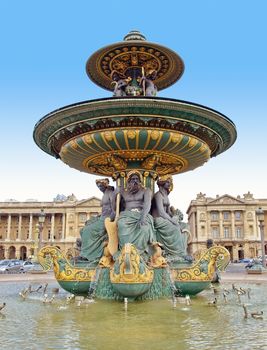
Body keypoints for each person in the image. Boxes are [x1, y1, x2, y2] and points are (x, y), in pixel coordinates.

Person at [151, 175, 190, 262]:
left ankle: (183, 251)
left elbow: (168, 212)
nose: (169, 184)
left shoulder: (166, 196)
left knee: (184, 226)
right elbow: (161, 212)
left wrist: (176, 216)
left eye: (170, 182)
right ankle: (178, 253)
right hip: (158, 219)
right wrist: (173, 221)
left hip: (165, 218)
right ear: (162, 183)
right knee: (175, 228)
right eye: (167, 182)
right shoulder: (158, 195)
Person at [116, 170, 155, 255]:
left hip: (141, 214)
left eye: (137, 179)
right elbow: (116, 205)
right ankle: (124, 251)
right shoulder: (124, 192)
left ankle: (141, 253)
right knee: (121, 225)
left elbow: (147, 204)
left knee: (144, 228)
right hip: (126, 215)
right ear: (128, 182)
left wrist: (143, 217)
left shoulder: (146, 191)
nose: (135, 181)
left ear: (140, 181)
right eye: (133, 179)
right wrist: (115, 192)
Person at [79, 178, 114, 263]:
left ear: (105, 185)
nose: (99, 187)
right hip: (102, 217)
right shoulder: (105, 193)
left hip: (107, 219)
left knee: (88, 230)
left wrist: (110, 220)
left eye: (101, 186)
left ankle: (87, 255)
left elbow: (115, 208)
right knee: (84, 229)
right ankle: (87, 253)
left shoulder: (110, 193)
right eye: (98, 186)